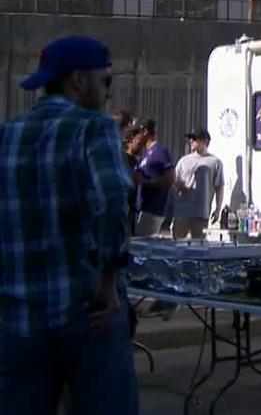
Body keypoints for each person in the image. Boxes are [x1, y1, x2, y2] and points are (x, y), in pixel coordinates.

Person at [0, 36, 138, 414]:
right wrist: (108, 281)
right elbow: (112, 203)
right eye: (105, 82)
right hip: (87, 315)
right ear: (78, 80)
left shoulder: (5, 135)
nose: (108, 94)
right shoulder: (94, 129)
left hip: (18, 318)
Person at [171, 128, 224, 240]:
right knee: (177, 243)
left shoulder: (215, 162)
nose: (191, 141)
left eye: (194, 139)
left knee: (198, 246)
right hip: (182, 211)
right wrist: (178, 185)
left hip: (201, 212)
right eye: (190, 139)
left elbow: (219, 187)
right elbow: (174, 180)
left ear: (205, 142)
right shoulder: (183, 160)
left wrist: (218, 209)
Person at [131, 119, 175, 237]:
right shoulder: (146, 153)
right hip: (143, 208)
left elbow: (170, 178)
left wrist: (146, 182)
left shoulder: (159, 151)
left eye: (138, 133)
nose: (136, 137)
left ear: (145, 132)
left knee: (141, 246)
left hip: (152, 209)